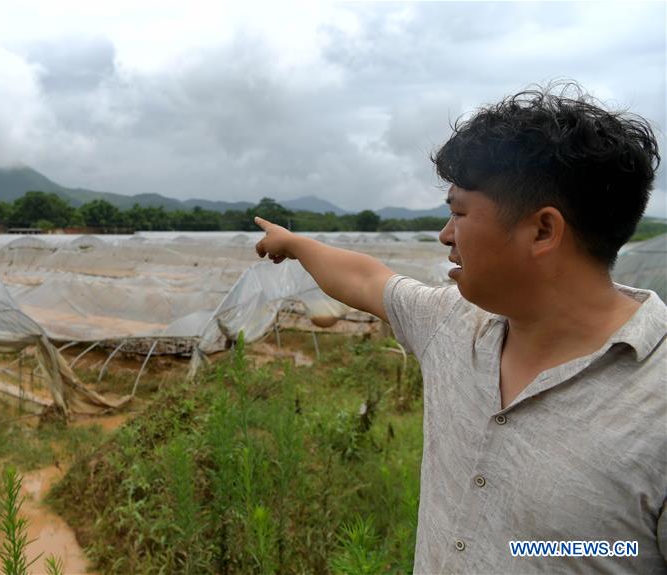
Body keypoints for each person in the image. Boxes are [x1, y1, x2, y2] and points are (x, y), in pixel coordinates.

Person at [254, 83, 666, 573]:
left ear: (542, 230)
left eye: (458, 212)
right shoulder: (451, 322)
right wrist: (294, 243)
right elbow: (367, 279)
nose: (446, 235)